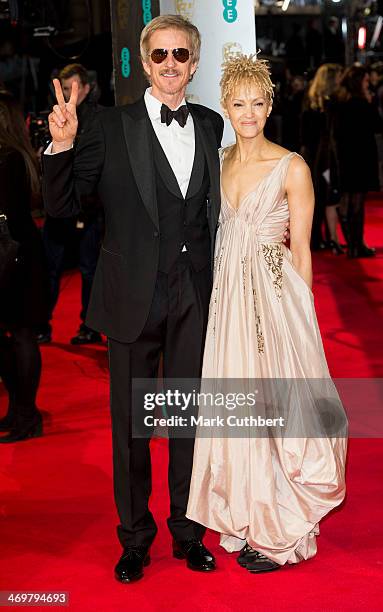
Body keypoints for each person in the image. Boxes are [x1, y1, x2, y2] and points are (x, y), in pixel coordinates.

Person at [42, 15, 224, 582]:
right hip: (131, 299)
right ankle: (135, 538)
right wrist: (62, 145)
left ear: (194, 64)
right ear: (145, 64)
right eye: (161, 55)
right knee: (132, 429)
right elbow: (63, 206)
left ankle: (188, 532)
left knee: (188, 422)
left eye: (181, 55)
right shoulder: (106, 126)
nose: (171, 64)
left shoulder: (213, 125)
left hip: (194, 295)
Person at [186, 54, 347, 573]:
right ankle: (250, 515)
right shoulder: (219, 159)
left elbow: (302, 249)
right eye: (239, 103)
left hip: (276, 300)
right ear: (226, 107)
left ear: (270, 104)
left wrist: (303, 316)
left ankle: (283, 530)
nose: (249, 112)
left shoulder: (292, 165)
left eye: (258, 103)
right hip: (229, 301)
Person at [37, 63, 103, 345]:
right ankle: (41, 324)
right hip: (59, 211)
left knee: (89, 270)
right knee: (49, 270)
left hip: (89, 211)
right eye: (65, 88)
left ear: (86, 88)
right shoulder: (52, 118)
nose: (69, 93)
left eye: (74, 87)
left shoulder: (101, 121)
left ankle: (89, 326)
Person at [0, 91, 48, 443]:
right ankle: (19, 410)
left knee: (20, 334)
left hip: (12, 255)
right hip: (19, 251)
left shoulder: (9, 158)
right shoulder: (19, 155)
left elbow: (12, 212)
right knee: (17, 334)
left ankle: (26, 415)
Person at [335, 65, 382, 258]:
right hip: (362, 156)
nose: (368, 83)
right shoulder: (363, 104)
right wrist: (371, 104)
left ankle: (353, 243)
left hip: (347, 155)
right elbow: (378, 126)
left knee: (350, 198)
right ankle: (356, 244)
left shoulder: (341, 104)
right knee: (358, 201)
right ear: (358, 83)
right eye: (365, 81)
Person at [301, 63, 344, 253]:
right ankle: (321, 238)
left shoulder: (310, 101)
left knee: (316, 196)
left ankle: (318, 238)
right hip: (322, 157)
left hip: (313, 155)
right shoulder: (329, 104)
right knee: (324, 196)